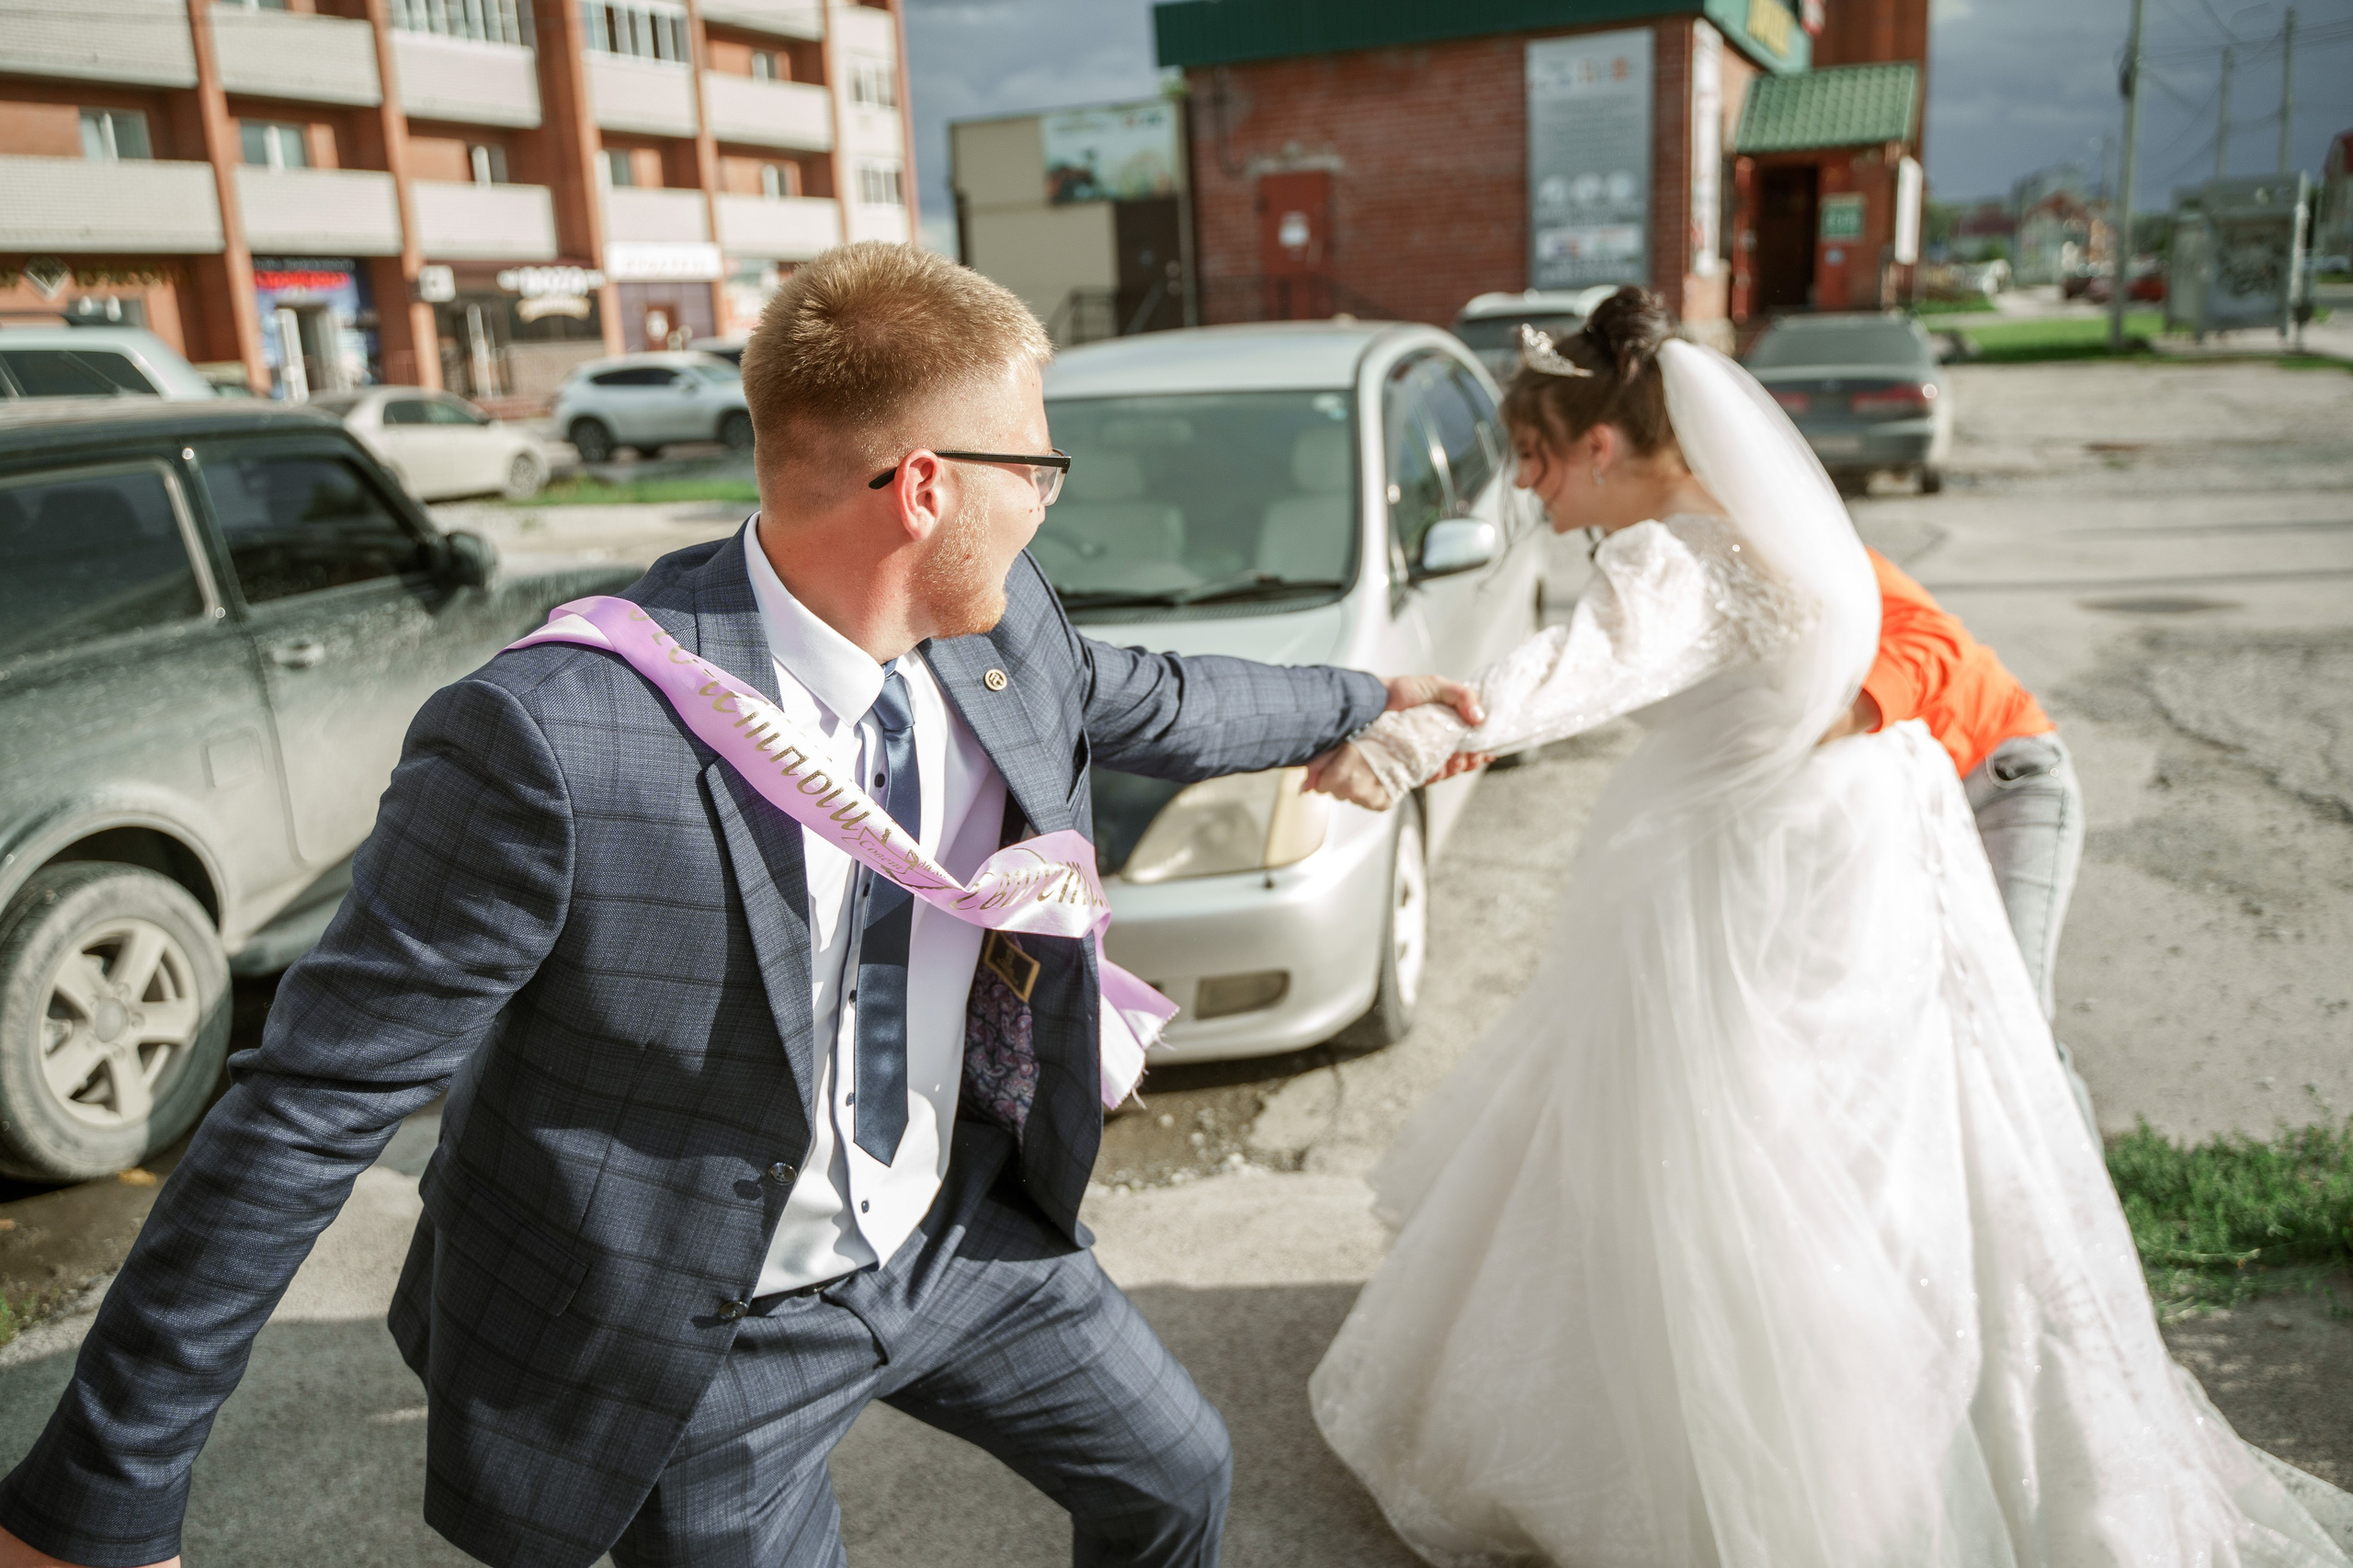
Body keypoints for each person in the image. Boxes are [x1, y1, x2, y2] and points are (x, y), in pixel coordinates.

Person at [0, 243, 1479, 1568]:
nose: (1046, 493)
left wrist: (1364, 701)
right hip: (706, 1333)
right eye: (1034, 462)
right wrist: (99, 1492)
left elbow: (1151, 691)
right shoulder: (554, 740)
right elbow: (302, 1108)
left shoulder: (999, 628)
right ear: (924, 486)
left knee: (1178, 1480)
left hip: (955, 1237)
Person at [1304, 290, 2353, 1567]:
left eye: (1534, 457)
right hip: (1857, 865)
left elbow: (1576, 670)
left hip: (1905, 828)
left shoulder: (1669, 552)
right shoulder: (1774, 533)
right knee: (1899, 1139)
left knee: (1773, 1151)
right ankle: (1989, 1377)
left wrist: (1407, 742)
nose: (1530, 492)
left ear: (1600, 442)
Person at [1826, 550, 2098, 1128]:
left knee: (2011, 1022)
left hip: (2004, 788)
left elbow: (1936, 641)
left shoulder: (1811, 545)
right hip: (1904, 819)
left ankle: (2084, 1207)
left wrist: (1836, 719)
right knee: (1912, 1022)